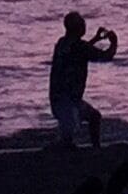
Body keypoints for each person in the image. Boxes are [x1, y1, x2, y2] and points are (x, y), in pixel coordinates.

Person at [48, 10, 118, 147]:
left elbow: (81, 52)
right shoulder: (80, 47)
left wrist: (95, 39)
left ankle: (95, 148)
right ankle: (93, 148)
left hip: (60, 97)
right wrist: (114, 43)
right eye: (83, 24)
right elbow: (106, 56)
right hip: (68, 99)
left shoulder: (62, 43)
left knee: (93, 117)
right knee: (67, 138)